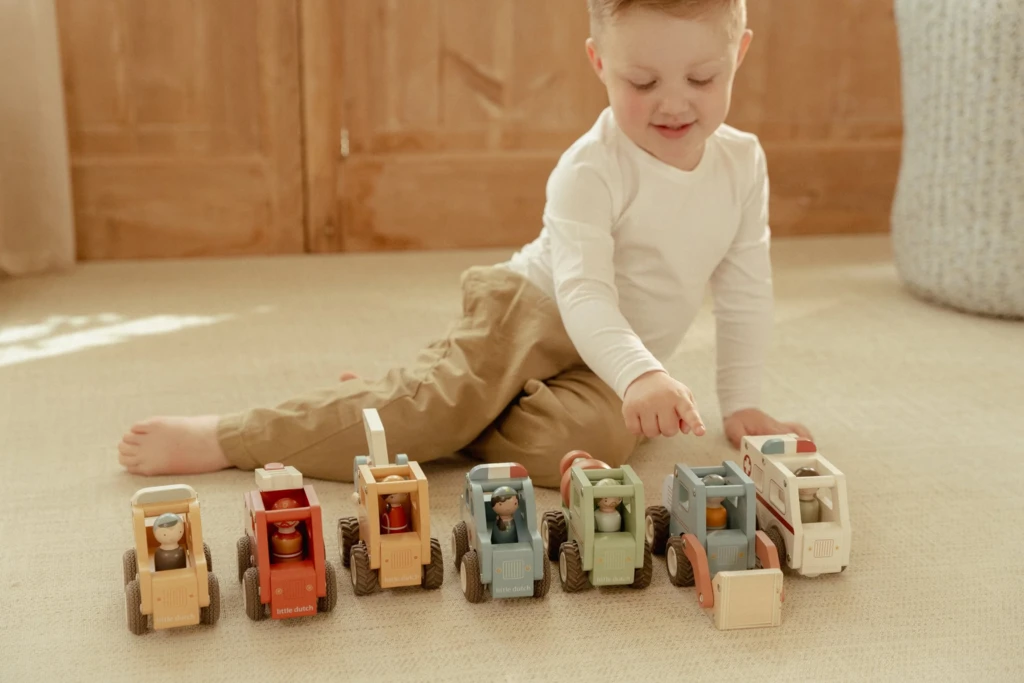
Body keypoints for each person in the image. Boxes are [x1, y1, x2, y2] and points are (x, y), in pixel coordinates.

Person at [116, 0, 810, 489]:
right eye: (642, 81)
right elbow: (584, 293)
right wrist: (642, 376)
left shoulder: (742, 164)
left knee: (595, 448)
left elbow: (746, 289)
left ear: (739, 54)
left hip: (618, 359)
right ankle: (231, 435)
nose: (675, 103)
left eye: (702, 78)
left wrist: (740, 402)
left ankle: (421, 411)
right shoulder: (591, 169)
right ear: (599, 63)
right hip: (534, 311)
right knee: (433, 407)